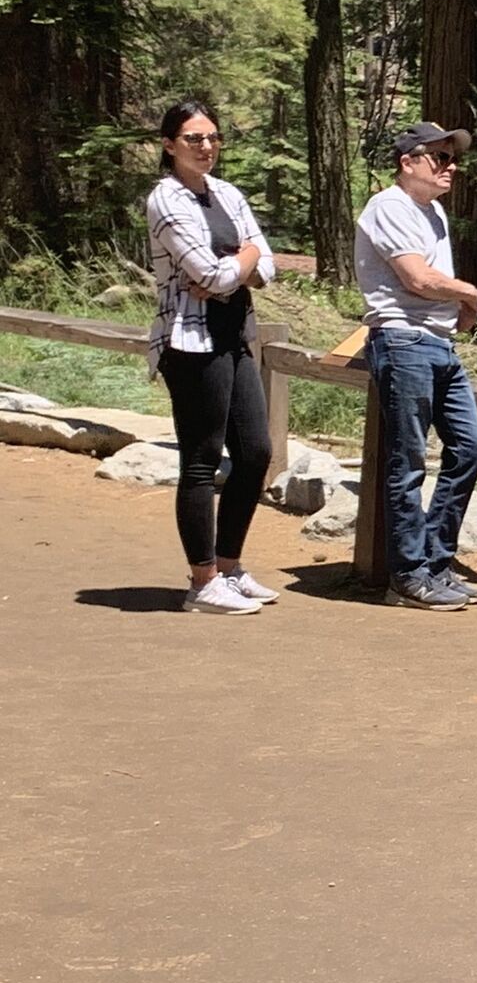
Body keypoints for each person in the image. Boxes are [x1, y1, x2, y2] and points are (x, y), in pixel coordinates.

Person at [145, 99, 279, 615]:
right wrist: (239, 261)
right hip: (189, 342)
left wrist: (239, 263)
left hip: (232, 333)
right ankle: (201, 581)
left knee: (255, 452)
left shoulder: (227, 193)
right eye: (194, 139)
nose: (206, 147)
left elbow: (266, 266)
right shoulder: (166, 200)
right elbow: (209, 275)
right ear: (169, 145)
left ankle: (229, 565)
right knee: (202, 459)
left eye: (213, 138)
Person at [355, 122, 477, 612]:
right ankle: (408, 575)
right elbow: (417, 278)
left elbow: (432, 281)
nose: (450, 167)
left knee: (471, 448)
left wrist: (456, 303)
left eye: (451, 158)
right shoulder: (388, 206)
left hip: (439, 344)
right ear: (408, 161)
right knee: (407, 460)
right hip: (403, 340)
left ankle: (435, 562)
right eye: (439, 157)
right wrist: (469, 293)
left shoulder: (432, 211)